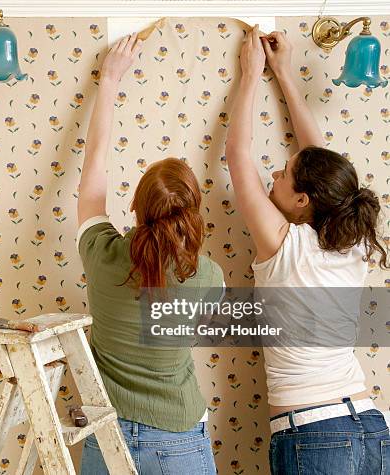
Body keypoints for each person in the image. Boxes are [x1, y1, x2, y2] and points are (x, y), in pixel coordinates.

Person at [225, 25, 390, 474]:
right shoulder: (350, 242)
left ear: (302, 201)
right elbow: (322, 162)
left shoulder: (283, 245)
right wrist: (284, 72)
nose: (272, 176)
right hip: (371, 423)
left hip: (315, 434)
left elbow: (238, 154)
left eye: (280, 174)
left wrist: (251, 74)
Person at [77, 33, 224, 474]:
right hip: (178, 439)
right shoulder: (209, 278)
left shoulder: (101, 254)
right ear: (194, 213)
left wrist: (109, 82)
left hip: (107, 439)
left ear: (135, 207)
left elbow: (94, 167)